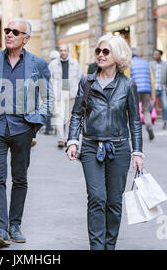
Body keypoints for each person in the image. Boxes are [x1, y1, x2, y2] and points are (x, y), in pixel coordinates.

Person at [0, 18, 53, 247]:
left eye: (15, 32)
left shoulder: (38, 64)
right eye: (7, 30)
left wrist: (36, 123)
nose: (9, 34)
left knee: (20, 178)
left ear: (26, 38)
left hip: (23, 129)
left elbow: (48, 97)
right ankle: (0, 227)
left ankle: (15, 224)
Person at [66, 33, 144, 250]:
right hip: (91, 146)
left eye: (105, 51)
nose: (100, 55)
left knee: (114, 202)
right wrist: (73, 140)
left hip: (119, 148)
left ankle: (109, 246)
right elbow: (76, 114)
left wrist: (138, 152)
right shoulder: (87, 81)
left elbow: (135, 121)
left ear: (117, 55)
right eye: (98, 51)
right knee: (96, 197)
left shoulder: (128, 85)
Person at [49, 44, 82, 148]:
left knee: (69, 117)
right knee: (59, 116)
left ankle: (68, 137)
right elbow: (49, 78)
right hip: (59, 91)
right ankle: (60, 139)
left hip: (71, 92)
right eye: (61, 50)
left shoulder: (74, 63)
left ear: (68, 51)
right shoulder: (53, 64)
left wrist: (78, 92)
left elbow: (79, 77)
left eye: (65, 50)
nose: (63, 52)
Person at [127, 48, 155, 140]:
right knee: (146, 110)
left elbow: (127, 78)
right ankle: (149, 126)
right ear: (139, 55)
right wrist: (152, 94)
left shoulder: (129, 64)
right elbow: (152, 79)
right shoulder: (146, 63)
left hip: (134, 90)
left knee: (132, 111)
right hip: (146, 89)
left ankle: (132, 134)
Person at [150, 49, 167, 130]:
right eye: (154, 54)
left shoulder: (166, 64)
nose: (154, 55)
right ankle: (148, 120)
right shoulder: (150, 64)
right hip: (153, 88)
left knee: (165, 105)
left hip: (162, 87)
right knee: (151, 105)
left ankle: (165, 123)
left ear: (160, 55)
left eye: (156, 54)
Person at [41, 50, 60, 136]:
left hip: (50, 89)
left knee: (49, 109)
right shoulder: (61, 64)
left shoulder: (48, 65)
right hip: (60, 90)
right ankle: (57, 129)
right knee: (60, 111)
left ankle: (48, 128)